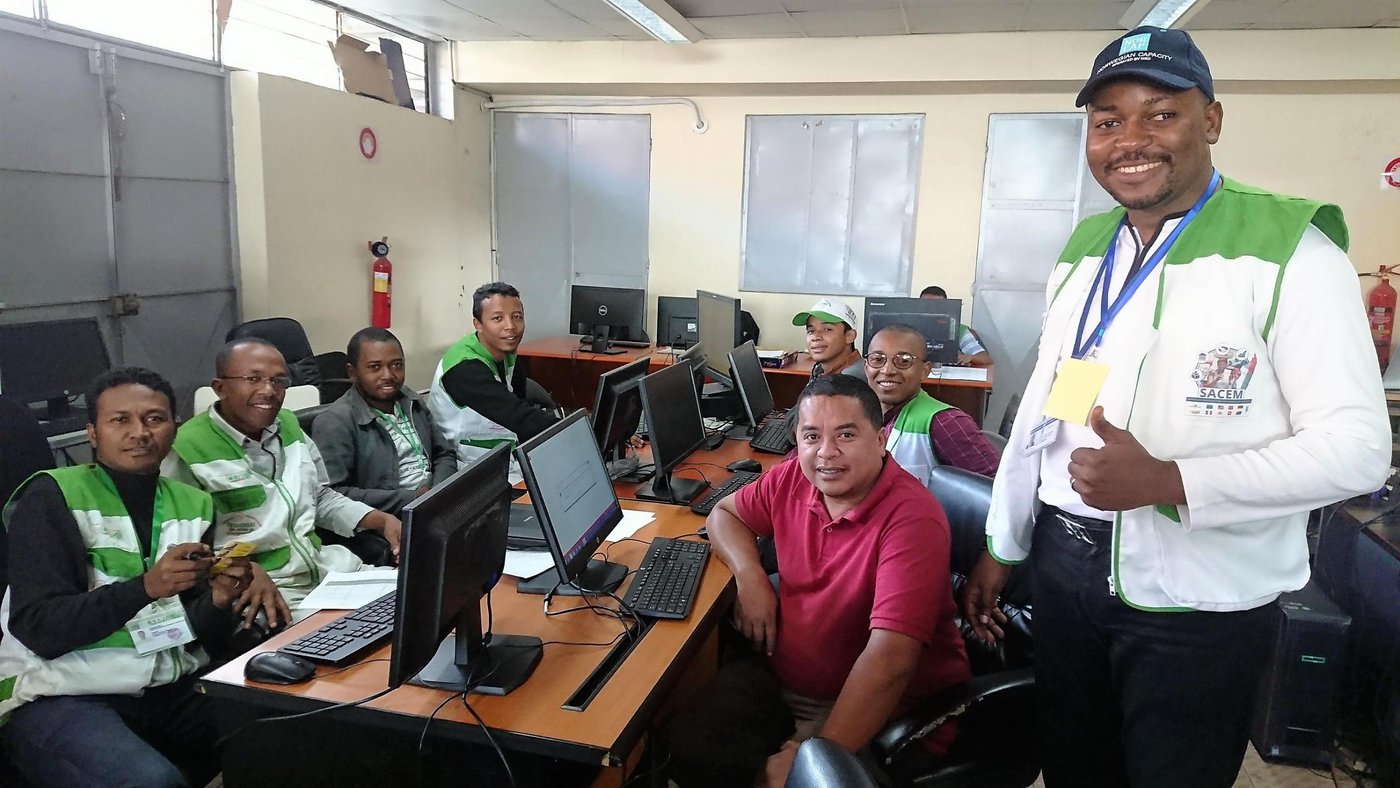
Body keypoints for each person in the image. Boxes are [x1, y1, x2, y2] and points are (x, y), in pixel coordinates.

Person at [963, 27, 1390, 788]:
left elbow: (1358, 450)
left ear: (1212, 121)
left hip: (1200, 598)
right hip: (1064, 568)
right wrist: (1006, 541)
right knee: (1073, 767)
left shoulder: (1293, 248)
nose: (1131, 140)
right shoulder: (1087, 247)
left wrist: (1171, 481)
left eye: (1161, 114)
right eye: (1108, 121)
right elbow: (1055, 407)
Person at [666, 374, 971, 787]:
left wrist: (817, 756)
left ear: (880, 440)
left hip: (888, 711)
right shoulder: (794, 477)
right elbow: (725, 514)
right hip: (788, 686)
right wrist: (749, 575)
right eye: (812, 436)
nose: (826, 452)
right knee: (685, 745)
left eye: (846, 434)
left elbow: (891, 661)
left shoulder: (912, 519)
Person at [0, 367, 252, 787]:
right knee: (152, 782)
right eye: (120, 420)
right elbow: (40, 628)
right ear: (92, 433)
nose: (140, 432)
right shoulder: (52, 497)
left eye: (154, 419)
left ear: (174, 427)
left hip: (166, 684)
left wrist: (219, 600)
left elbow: (188, 627)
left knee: (290, 722)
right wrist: (146, 587)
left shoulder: (194, 503)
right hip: (62, 692)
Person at [164, 338, 398, 621]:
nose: (268, 390)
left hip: (328, 572)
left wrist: (379, 520)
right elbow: (177, 551)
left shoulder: (287, 424)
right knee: (368, 634)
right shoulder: (186, 449)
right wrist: (239, 569)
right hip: (269, 591)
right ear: (220, 387)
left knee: (415, 598)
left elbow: (320, 497)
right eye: (253, 379)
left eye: (278, 381)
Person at [313, 327, 457, 517]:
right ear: (352, 372)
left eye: (396, 365)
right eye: (375, 367)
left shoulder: (410, 400)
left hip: (434, 502)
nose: (388, 375)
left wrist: (437, 493)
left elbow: (443, 453)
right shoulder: (334, 422)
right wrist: (412, 499)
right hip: (388, 518)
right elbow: (334, 494)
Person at [427, 282, 559, 481]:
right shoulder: (464, 367)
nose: (510, 326)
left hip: (502, 450)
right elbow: (518, 416)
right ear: (478, 324)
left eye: (517, 317)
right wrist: (574, 432)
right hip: (465, 464)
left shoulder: (505, 353)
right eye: (498, 318)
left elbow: (520, 405)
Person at [867, 324, 1000, 480]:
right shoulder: (862, 414)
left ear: (925, 371)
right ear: (866, 367)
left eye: (904, 361)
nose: (887, 370)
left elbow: (997, 486)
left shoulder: (946, 423)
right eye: (877, 359)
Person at [918, 286, 993, 367]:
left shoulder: (958, 330)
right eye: (926, 305)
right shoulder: (908, 329)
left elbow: (986, 359)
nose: (931, 310)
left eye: (937, 306)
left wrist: (970, 357)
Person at [793, 298, 865, 380]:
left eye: (827, 329)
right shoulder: (820, 370)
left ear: (849, 336)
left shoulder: (851, 379)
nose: (816, 337)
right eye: (811, 331)